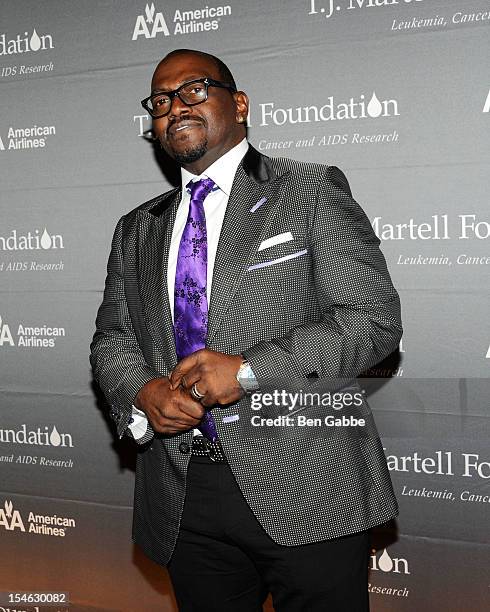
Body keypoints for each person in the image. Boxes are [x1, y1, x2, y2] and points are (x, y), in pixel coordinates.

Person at [90, 48, 402, 611]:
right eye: (161, 101)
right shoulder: (137, 227)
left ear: (239, 104)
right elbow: (114, 341)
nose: (175, 107)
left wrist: (251, 372)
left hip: (309, 480)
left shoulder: (309, 190)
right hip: (184, 493)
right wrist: (142, 393)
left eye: (193, 90)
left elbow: (374, 321)